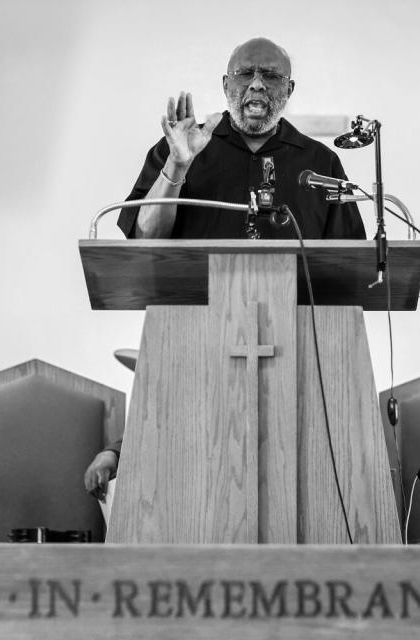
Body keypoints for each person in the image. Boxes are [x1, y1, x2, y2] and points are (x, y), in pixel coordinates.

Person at [85, 36, 366, 498]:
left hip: (296, 357)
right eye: (246, 74)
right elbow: (144, 238)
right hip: (193, 346)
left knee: (295, 485)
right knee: (193, 489)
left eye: (271, 76)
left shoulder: (321, 165)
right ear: (225, 84)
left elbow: (349, 274)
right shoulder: (180, 147)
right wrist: (178, 165)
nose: (257, 84)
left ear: (289, 90)